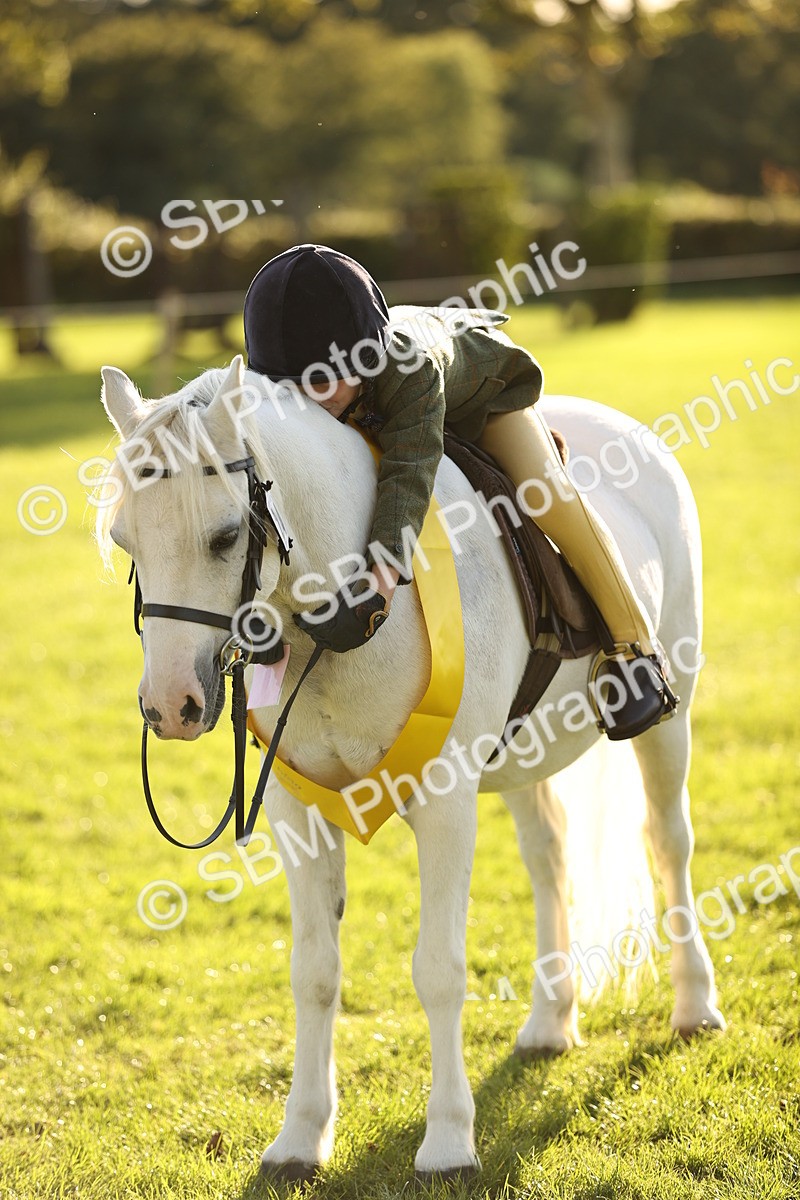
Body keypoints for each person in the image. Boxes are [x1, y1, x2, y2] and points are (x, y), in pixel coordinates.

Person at [243, 243, 677, 740]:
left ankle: (636, 651)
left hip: (482, 399)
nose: (306, 406)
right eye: (287, 387)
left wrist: (377, 588)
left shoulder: (410, 370)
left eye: (319, 385)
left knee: (548, 496)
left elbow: (408, 473)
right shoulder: (279, 386)